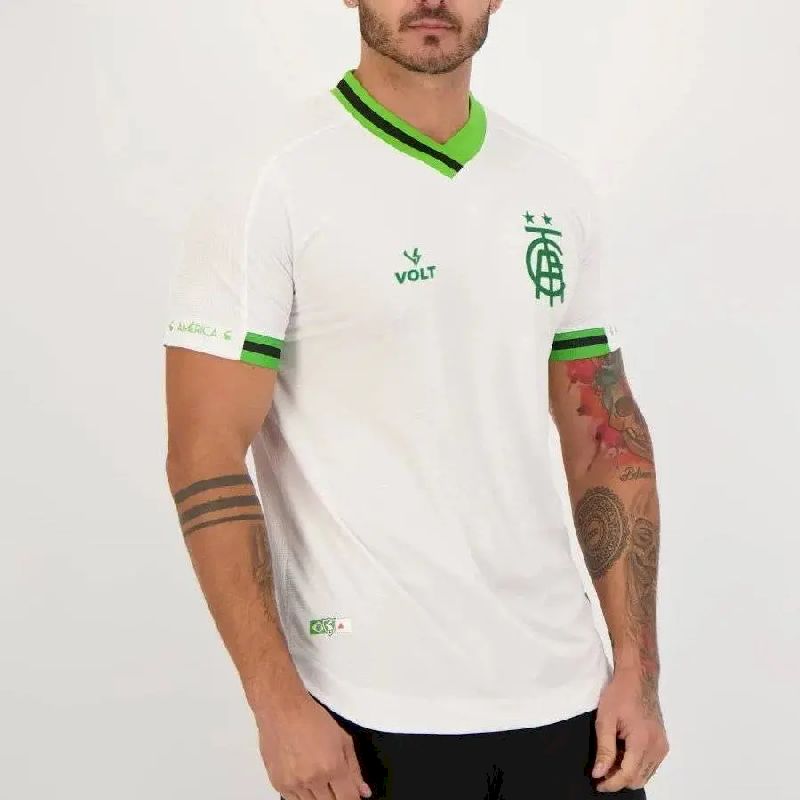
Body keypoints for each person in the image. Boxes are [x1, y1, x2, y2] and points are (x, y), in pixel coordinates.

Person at [162, 1, 669, 798]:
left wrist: (638, 667)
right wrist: (277, 704)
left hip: (571, 705)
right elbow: (204, 453)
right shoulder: (273, 181)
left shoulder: (553, 186)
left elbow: (607, 440)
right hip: (368, 709)